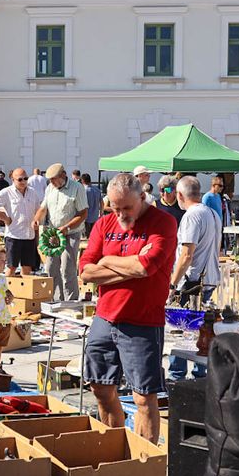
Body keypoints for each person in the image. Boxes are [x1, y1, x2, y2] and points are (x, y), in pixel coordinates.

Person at [78, 173, 177, 443]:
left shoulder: (163, 223)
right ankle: (114, 445)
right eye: (114, 207)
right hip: (104, 317)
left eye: (127, 208)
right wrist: (128, 266)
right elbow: (86, 271)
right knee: (99, 387)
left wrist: (107, 260)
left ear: (142, 197)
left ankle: (143, 461)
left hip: (143, 321)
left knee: (144, 397)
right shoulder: (104, 224)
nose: (120, 214)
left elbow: (146, 266)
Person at [166, 176, 221, 381]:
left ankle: (177, 377)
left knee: (180, 332)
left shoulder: (192, 215)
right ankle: (200, 375)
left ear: (180, 195)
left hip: (193, 282)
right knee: (201, 331)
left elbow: (186, 254)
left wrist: (172, 284)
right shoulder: (213, 213)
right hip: (209, 277)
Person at [33, 163, 88, 301]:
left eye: (54, 179)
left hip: (71, 233)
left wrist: (67, 228)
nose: (51, 182)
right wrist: (36, 219)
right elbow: (43, 208)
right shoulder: (50, 188)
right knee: (51, 268)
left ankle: (71, 301)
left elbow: (83, 214)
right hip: (53, 234)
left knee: (67, 269)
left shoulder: (77, 188)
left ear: (63, 175)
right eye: (50, 180)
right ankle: (56, 300)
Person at [0, 167, 44, 276]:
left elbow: (39, 210)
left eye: (25, 178)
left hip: (29, 236)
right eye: (20, 179)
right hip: (14, 236)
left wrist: (36, 220)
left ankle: (23, 293)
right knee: (11, 268)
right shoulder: (6, 192)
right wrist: (5, 218)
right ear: (13, 180)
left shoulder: (33, 192)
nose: (23, 182)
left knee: (27, 269)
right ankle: (6, 291)